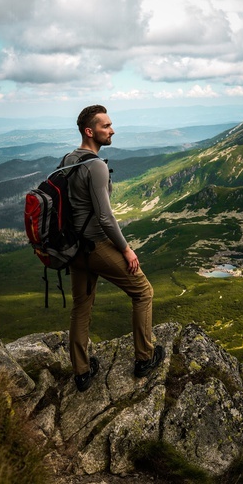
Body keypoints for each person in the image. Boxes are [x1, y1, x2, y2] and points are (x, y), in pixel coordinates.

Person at [62, 105, 165, 392]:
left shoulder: (69, 159)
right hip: (96, 246)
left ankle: (82, 372)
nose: (112, 129)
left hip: (74, 249)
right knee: (143, 291)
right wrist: (127, 250)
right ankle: (145, 358)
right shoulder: (96, 165)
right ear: (89, 131)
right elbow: (105, 217)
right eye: (106, 126)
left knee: (81, 307)